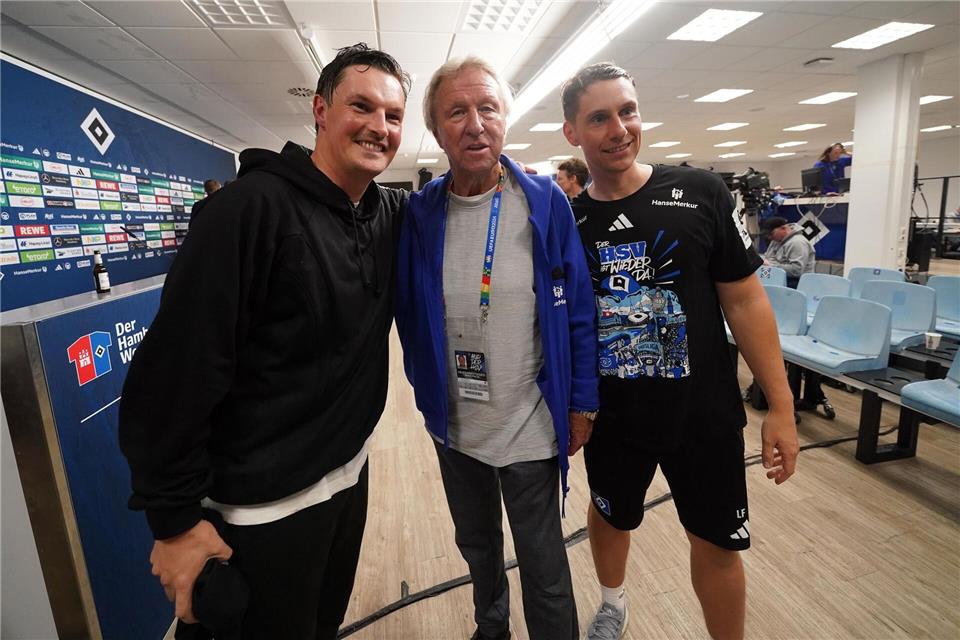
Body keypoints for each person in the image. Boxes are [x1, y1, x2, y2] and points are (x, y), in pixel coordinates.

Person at [119, 44, 411, 639]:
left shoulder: (384, 213)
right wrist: (174, 523)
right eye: (361, 106)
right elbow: (175, 373)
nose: (379, 126)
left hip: (346, 477)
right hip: (259, 512)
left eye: (393, 115)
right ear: (321, 111)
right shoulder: (247, 212)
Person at [560, 62, 799, 640]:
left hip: (703, 415)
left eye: (628, 111)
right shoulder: (568, 221)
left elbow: (745, 301)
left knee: (717, 543)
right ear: (572, 132)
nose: (619, 129)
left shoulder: (700, 193)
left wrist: (782, 405)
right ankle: (613, 603)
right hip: (614, 419)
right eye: (599, 118)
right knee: (611, 516)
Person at [395, 57, 599, 640]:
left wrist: (583, 403)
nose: (475, 123)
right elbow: (406, 308)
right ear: (436, 131)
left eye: (488, 108)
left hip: (527, 420)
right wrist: (423, 386)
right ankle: (492, 629)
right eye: (457, 111)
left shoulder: (544, 201)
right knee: (478, 547)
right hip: (455, 424)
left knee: (544, 564)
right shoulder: (419, 213)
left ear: (505, 119)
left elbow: (578, 309)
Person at [760, 216, 815, 288]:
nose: (769, 237)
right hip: (778, 277)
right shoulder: (775, 240)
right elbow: (767, 258)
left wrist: (771, 265)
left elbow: (796, 271)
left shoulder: (797, 242)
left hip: (797, 283)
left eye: (771, 233)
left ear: (783, 228)